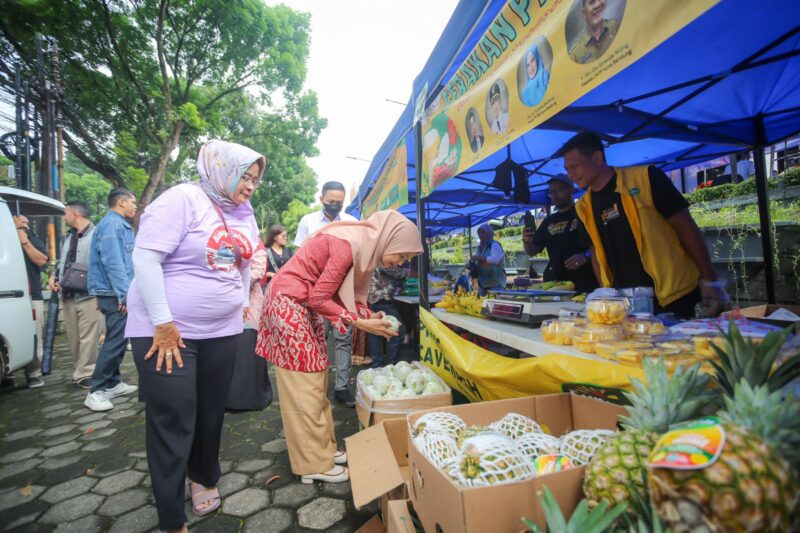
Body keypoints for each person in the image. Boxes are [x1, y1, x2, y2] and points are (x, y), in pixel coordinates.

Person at [125, 140, 264, 532]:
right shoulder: (182, 199)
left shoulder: (243, 213)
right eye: (245, 176)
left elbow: (242, 262)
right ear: (222, 170)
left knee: (209, 411)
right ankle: (171, 517)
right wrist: (164, 322)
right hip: (167, 332)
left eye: (255, 179)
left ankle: (202, 475)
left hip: (221, 331)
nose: (251, 186)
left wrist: (239, 302)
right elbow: (146, 258)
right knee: (174, 414)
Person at [256, 210, 422, 484]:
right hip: (289, 305)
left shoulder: (359, 244)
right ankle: (312, 464)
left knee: (318, 381)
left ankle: (324, 450)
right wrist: (361, 323)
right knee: (305, 387)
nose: (400, 263)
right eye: (402, 255)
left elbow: (333, 291)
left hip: (301, 304)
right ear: (389, 239)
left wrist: (368, 316)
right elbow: (321, 298)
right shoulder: (348, 246)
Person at [559, 131, 728, 318]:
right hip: (626, 306)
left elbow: (685, 227)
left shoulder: (646, 178)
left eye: (574, 167)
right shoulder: (583, 206)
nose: (571, 176)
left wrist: (710, 279)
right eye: (567, 169)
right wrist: (606, 295)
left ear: (597, 158)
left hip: (675, 297)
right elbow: (596, 255)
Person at [294, 181, 359, 407]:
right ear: (321, 199)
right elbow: (300, 257)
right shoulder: (308, 222)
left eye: (339, 203)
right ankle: (317, 387)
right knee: (317, 338)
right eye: (331, 202)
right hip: (314, 292)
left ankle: (342, 387)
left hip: (342, 292)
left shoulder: (352, 223)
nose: (335, 206)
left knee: (343, 340)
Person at [85, 188, 138, 411]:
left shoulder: (118, 225)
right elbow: (113, 263)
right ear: (121, 202)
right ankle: (95, 390)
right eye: (133, 202)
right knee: (115, 341)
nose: (135, 206)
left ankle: (113, 383)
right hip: (115, 294)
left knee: (119, 338)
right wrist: (124, 296)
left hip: (114, 293)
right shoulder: (112, 226)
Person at [49, 201, 102, 388]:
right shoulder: (67, 237)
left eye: (66, 213)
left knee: (88, 337)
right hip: (68, 294)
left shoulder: (97, 234)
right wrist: (54, 276)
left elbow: (104, 263)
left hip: (89, 294)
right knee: (73, 337)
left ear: (75, 214)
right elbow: (63, 262)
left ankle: (87, 372)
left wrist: (100, 293)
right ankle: (79, 370)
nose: (65, 217)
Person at [523, 175, 598, 293]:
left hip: (584, 282)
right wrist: (526, 241)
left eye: (559, 190)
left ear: (571, 189)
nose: (554, 195)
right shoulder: (548, 221)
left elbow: (602, 244)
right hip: (554, 284)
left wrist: (586, 256)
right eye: (551, 192)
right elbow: (532, 251)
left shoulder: (584, 214)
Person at [226, 238, 271, 412]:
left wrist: (227, 280)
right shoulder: (223, 239)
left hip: (249, 306)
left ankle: (251, 398)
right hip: (225, 308)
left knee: (247, 352)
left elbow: (258, 272)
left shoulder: (255, 244)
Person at [12, 214, 48, 388]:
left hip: (32, 296)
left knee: (35, 336)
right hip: (9, 295)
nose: (23, 224)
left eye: (26, 222)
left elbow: (41, 260)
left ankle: (33, 373)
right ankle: (8, 373)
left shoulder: (33, 239)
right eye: (19, 222)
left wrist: (24, 240)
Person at [367, 264, 409, 368]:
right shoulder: (382, 259)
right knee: (397, 330)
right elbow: (392, 270)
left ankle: (377, 364)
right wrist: (408, 272)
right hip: (383, 300)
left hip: (374, 299)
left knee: (375, 331)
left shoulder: (373, 256)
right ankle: (392, 364)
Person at [568, 0, 620, 64]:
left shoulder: (616, 27)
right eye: (592, 2)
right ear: (584, 13)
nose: (597, 5)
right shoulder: (576, 54)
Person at [469, 223, 506, 293]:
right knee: (481, 303)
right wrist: (472, 265)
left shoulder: (495, 245)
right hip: (483, 284)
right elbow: (479, 261)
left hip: (496, 283)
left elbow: (495, 259)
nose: (481, 235)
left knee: (494, 301)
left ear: (489, 233)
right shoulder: (480, 247)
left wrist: (479, 257)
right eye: (479, 233)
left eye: (483, 232)